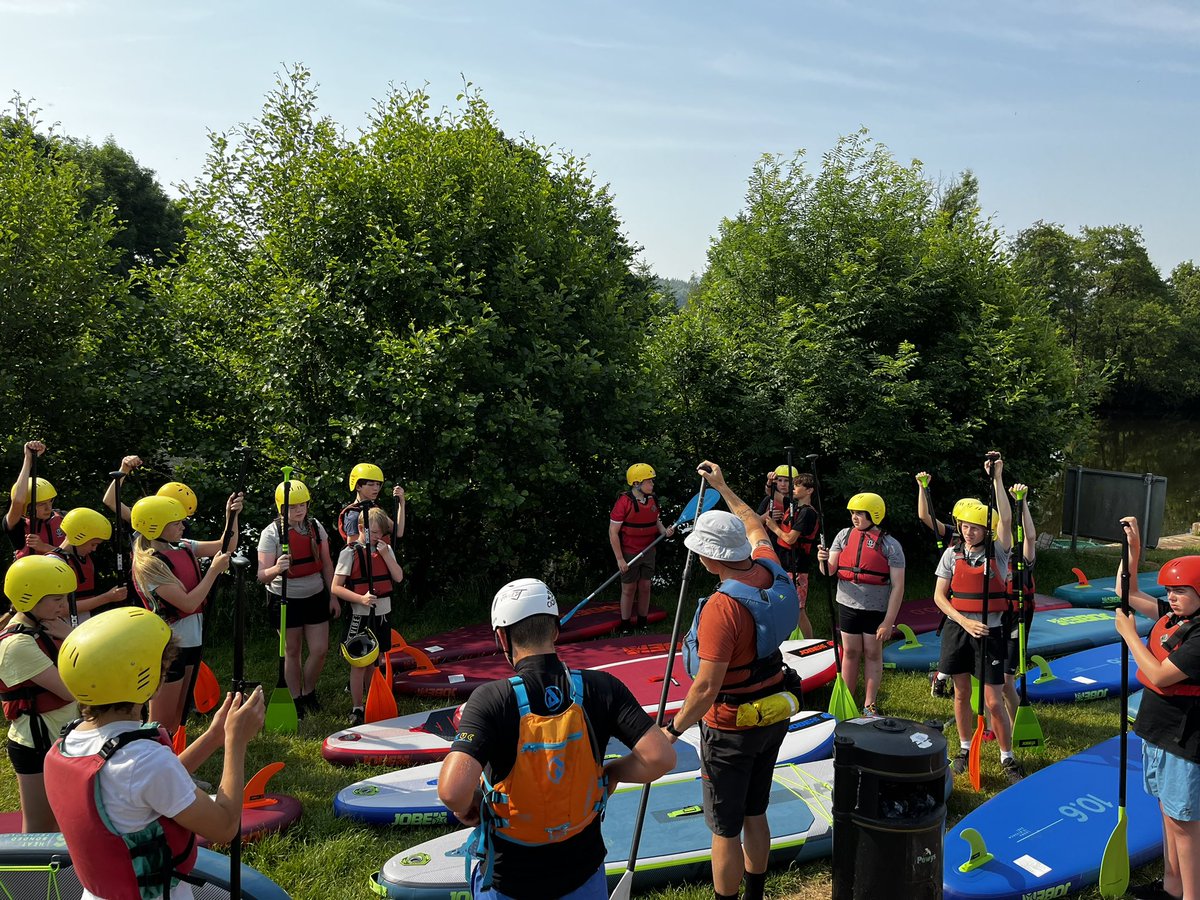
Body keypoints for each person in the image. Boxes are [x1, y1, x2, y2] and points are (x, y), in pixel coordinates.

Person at [438, 577, 675, 900]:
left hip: (511, 881)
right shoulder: (603, 687)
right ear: (555, 630)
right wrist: (613, 773)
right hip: (583, 875)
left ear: (502, 637)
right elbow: (660, 757)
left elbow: (452, 791)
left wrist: (473, 807)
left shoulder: (491, 699)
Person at [45, 607, 265, 900]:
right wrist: (236, 742)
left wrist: (214, 737)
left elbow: (149, 785)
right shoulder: (145, 762)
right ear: (148, 679)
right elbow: (224, 827)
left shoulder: (68, 742)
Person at [667, 461, 801, 900]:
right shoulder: (768, 565)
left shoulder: (721, 610)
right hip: (774, 711)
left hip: (731, 727)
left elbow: (706, 688)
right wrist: (722, 486)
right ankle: (755, 896)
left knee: (725, 829)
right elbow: (751, 521)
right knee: (755, 811)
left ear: (709, 558)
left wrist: (672, 729)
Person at [1114, 521, 1200, 900]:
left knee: (1184, 823)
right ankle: (1171, 888)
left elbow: (1161, 675)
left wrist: (1130, 635)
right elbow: (1127, 592)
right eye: (1169, 590)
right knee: (1167, 811)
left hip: (1184, 737)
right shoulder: (1175, 616)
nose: (1172, 597)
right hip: (1158, 728)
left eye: (1181, 591)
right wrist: (1133, 552)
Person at [933, 455, 1021, 783]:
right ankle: (964, 748)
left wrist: (997, 478)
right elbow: (939, 597)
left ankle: (1007, 757)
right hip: (958, 629)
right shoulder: (952, 553)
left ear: (986, 529)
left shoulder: (998, 552)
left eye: (975, 527)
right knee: (960, 693)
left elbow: (1007, 519)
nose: (968, 532)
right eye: (965, 526)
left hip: (991, 631)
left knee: (993, 701)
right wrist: (964, 621)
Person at [129, 492, 241, 736]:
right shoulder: (149, 565)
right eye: (176, 523)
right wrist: (213, 572)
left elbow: (227, 545)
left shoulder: (183, 546)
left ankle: (172, 756)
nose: (183, 526)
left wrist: (231, 516)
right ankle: (151, 756)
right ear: (156, 527)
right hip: (168, 646)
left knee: (179, 717)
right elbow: (188, 604)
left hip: (192, 642)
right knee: (160, 723)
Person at [0, 555, 79, 832]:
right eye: (57, 599)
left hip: (65, 737)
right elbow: (71, 690)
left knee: (67, 818)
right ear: (28, 598)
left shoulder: (48, 625)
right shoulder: (17, 645)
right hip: (36, 746)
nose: (64, 605)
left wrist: (69, 633)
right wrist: (73, 636)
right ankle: (30, 865)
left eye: (65, 598)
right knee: (40, 826)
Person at [818, 491, 905, 715]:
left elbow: (898, 587)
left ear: (874, 515)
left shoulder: (890, 545)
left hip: (875, 608)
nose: (854, 517)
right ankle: (846, 700)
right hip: (847, 605)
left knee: (873, 653)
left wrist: (888, 621)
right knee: (850, 651)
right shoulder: (844, 535)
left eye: (860, 513)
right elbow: (829, 571)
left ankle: (869, 704)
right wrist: (822, 560)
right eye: (853, 513)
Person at [258, 477, 337, 717]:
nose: (299, 510)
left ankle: (308, 691)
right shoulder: (271, 533)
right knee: (292, 650)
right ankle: (294, 698)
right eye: (292, 506)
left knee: (320, 649)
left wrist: (333, 596)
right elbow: (262, 575)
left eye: (302, 505)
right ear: (281, 507)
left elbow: (327, 563)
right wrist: (276, 568)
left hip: (315, 594)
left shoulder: (315, 527)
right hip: (284, 598)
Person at [331, 506, 403, 726]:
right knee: (359, 662)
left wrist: (385, 554)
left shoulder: (385, 549)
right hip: (360, 615)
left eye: (381, 533)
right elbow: (336, 587)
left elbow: (398, 577)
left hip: (382, 614)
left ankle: (373, 700)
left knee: (376, 661)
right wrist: (360, 599)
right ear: (362, 529)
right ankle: (357, 706)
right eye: (374, 532)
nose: (379, 537)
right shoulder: (349, 553)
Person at [608, 463, 673, 634]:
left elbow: (655, 519)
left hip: (649, 550)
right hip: (630, 552)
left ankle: (642, 622)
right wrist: (620, 559)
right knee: (629, 588)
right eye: (649, 481)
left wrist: (664, 531)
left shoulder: (652, 499)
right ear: (637, 483)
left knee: (645, 586)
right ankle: (625, 624)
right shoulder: (624, 502)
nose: (652, 484)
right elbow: (613, 532)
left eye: (652, 481)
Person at [758, 466, 819, 640]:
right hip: (784, 564)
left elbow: (790, 539)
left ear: (809, 490)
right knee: (781, 605)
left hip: (797, 566)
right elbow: (773, 494)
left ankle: (810, 643)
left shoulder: (807, 512)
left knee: (798, 610)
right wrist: (770, 482)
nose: (792, 488)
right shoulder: (794, 507)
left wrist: (773, 527)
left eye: (797, 486)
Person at [50, 507, 128, 621]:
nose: (94, 549)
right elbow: (61, 608)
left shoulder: (82, 558)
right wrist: (107, 598)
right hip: (63, 627)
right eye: (93, 544)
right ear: (78, 537)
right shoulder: (54, 563)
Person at [5, 440, 63, 558]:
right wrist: (29, 459)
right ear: (27, 507)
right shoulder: (17, 524)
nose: (48, 508)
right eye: (41, 504)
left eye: (50, 502)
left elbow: (75, 555)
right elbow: (18, 501)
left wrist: (45, 548)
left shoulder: (63, 517)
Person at [338, 462, 405, 543]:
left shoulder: (374, 509)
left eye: (378, 484)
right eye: (371, 484)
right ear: (358, 487)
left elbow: (398, 532)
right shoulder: (354, 516)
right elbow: (353, 548)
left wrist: (401, 502)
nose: (376, 488)